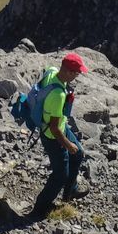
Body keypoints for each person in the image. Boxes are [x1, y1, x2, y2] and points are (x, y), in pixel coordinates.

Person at [27, 52, 88, 221]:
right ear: (68, 72)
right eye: (77, 73)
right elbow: (54, 128)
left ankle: (71, 191)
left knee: (79, 154)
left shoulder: (53, 72)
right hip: (53, 136)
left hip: (61, 126)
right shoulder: (58, 95)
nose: (78, 75)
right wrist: (68, 145)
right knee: (60, 174)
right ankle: (41, 207)